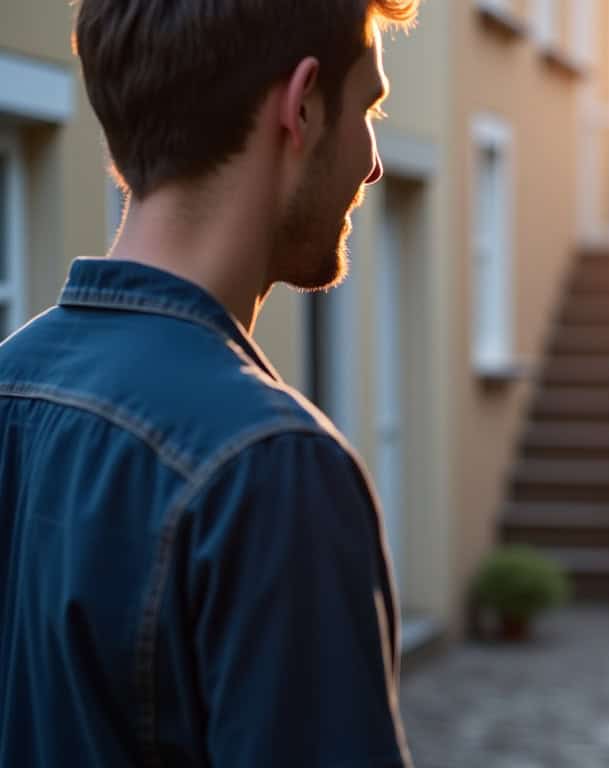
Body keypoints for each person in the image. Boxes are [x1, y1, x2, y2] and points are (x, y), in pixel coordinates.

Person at [0, 1, 419, 765]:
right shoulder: (271, 467)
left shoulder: (8, 388)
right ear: (302, 105)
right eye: (369, 108)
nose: (373, 162)